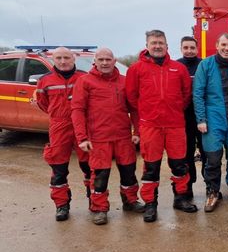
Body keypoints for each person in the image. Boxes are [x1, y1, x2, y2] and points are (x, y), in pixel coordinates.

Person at [125, 29, 197, 222]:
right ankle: (150, 204)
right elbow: (132, 99)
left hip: (175, 125)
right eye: (154, 43)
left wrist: (173, 110)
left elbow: (186, 94)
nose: (157, 46)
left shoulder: (178, 68)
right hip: (151, 127)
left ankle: (181, 198)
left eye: (161, 43)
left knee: (180, 165)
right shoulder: (136, 69)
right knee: (151, 167)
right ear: (147, 46)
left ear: (167, 46)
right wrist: (148, 115)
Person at [71, 48, 145, 225]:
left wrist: (138, 132)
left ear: (114, 60)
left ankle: (130, 201)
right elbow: (77, 110)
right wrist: (82, 138)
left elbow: (134, 108)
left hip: (123, 137)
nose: (105, 63)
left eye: (108, 59)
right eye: (101, 59)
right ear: (94, 62)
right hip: (98, 139)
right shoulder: (85, 82)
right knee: (100, 176)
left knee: (128, 172)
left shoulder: (124, 82)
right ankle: (99, 208)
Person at [35, 47, 91, 221]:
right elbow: (43, 104)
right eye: (58, 58)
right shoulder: (44, 81)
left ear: (73, 58)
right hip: (59, 127)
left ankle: (96, 202)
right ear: (53, 59)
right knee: (59, 169)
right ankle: (62, 206)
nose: (63, 61)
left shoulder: (84, 77)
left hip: (83, 126)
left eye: (66, 57)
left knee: (91, 166)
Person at [193, 33, 228, 212]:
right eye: (223, 44)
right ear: (217, 45)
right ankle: (213, 192)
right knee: (213, 159)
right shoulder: (205, 65)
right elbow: (198, 93)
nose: (226, 48)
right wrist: (201, 119)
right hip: (212, 117)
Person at [176, 36, 205, 201]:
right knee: (186, 155)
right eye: (185, 47)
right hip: (183, 119)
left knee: (206, 153)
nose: (189, 51)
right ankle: (188, 187)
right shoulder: (177, 65)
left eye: (192, 47)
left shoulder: (203, 65)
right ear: (181, 48)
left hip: (202, 119)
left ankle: (210, 186)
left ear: (197, 48)